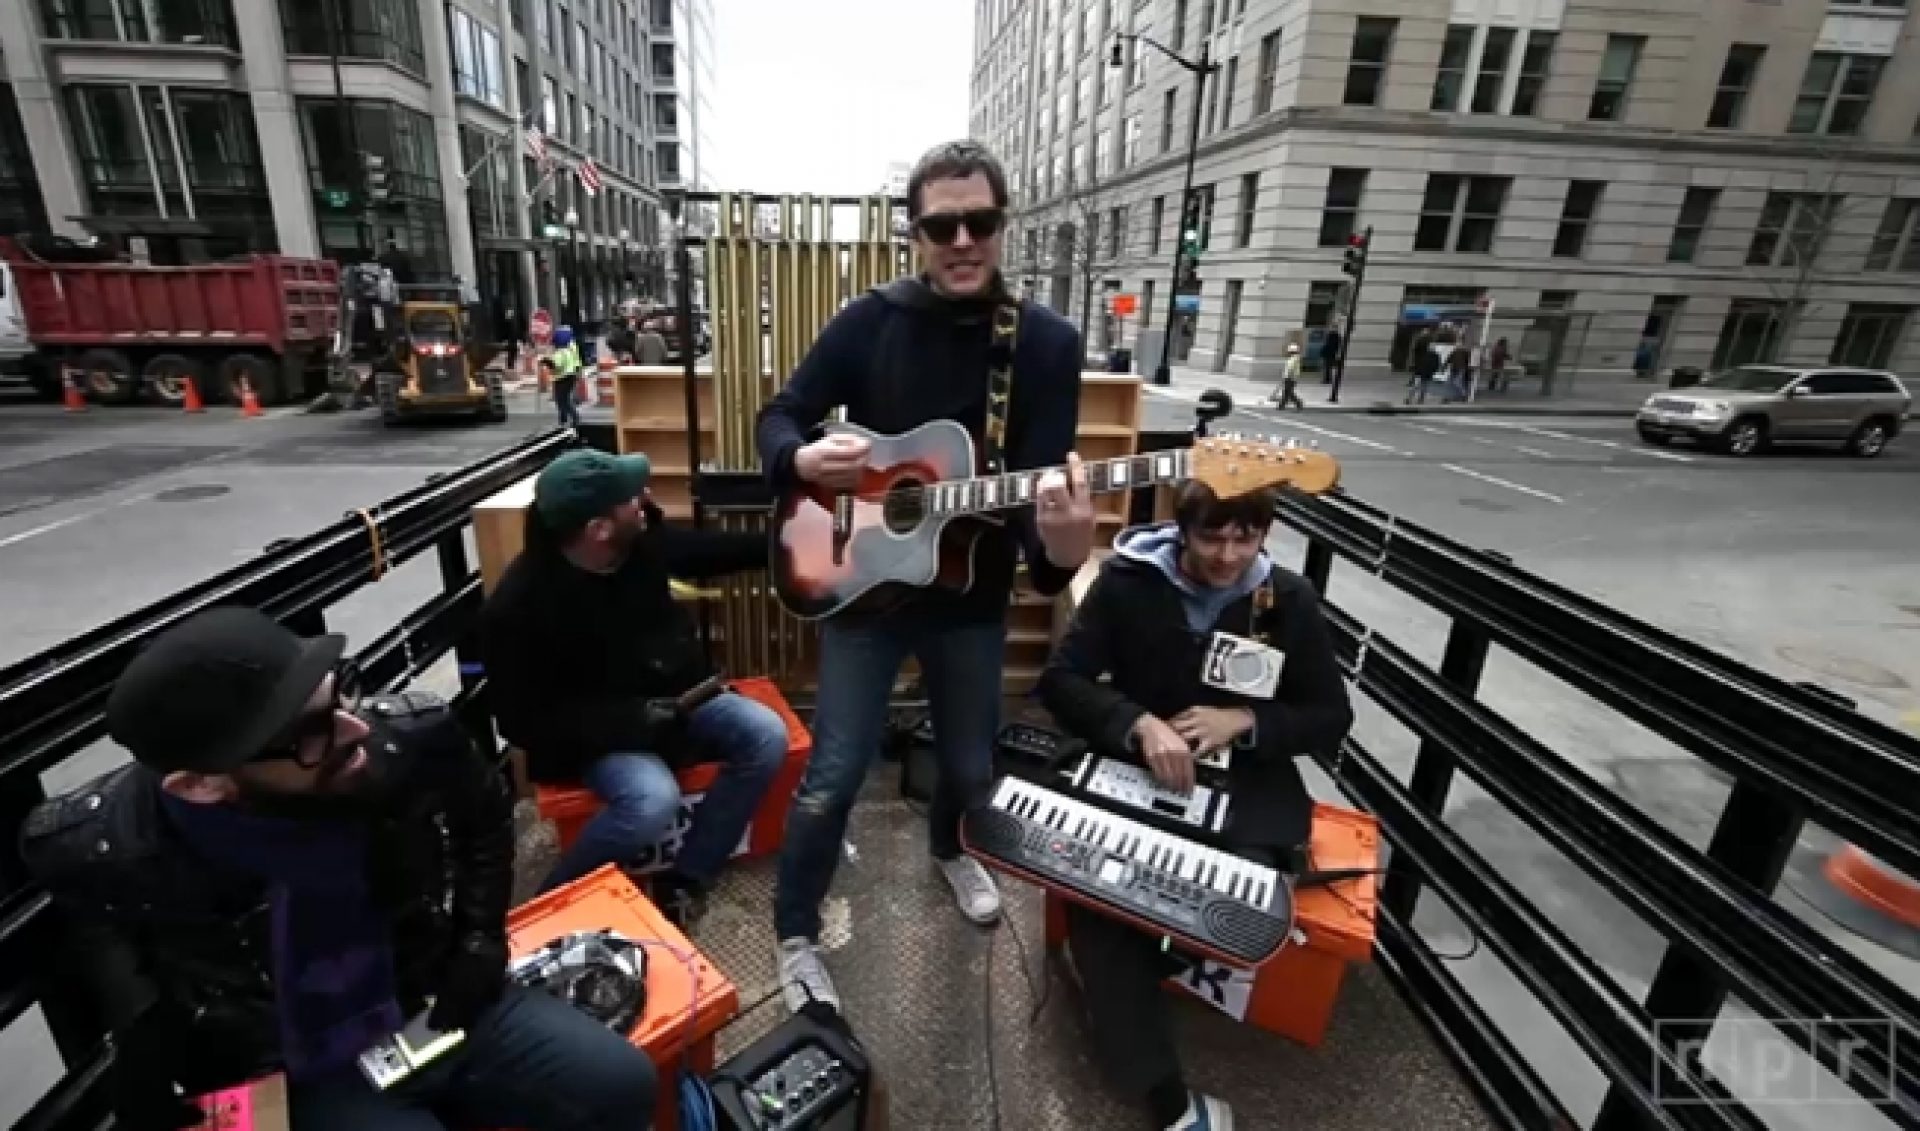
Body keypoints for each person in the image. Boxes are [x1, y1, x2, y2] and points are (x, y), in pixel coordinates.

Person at [18, 607, 656, 1131]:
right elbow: (102, 923)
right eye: (311, 732)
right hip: (295, 1066)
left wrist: (479, 937)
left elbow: (484, 815)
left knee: (623, 1083)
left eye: (339, 693)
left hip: (429, 994)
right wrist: (146, 1049)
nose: (354, 729)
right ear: (203, 785)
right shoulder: (98, 843)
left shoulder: (407, 739)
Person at [754, 139, 1098, 1013]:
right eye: (941, 224)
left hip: (967, 596)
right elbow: (780, 412)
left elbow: (1036, 506)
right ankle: (795, 929)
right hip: (863, 581)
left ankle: (951, 849)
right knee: (833, 771)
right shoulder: (871, 319)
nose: (961, 239)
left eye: (978, 221)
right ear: (915, 232)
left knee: (973, 765)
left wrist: (1061, 548)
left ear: (1002, 225)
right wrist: (800, 460)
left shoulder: (1046, 345)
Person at [1035, 481, 1354, 1131]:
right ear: (1182, 529)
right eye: (1212, 535)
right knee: (1105, 897)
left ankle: (1133, 977)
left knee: (1249, 900)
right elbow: (1061, 681)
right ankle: (1165, 1094)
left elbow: (1329, 715)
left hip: (1244, 785)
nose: (1228, 555)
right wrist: (1136, 722)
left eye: (1247, 537)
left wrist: (1245, 718)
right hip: (1133, 770)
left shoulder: (1284, 600)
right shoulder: (1127, 582)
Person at [480, 449, 789, 920]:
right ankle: (547, 909)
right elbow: (522, 722)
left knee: (765, 736)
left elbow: (700, 552)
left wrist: (783, 545)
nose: (645, 497)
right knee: (651, 801)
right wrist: (631, 721)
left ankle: (686, 878)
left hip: (677, 703)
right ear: (598, 529)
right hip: (600, 738)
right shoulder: (517, 610)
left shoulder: (636, 545)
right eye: (631, 496)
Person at [544, 357, 580, 429]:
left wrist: (545, 361)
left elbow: (555, 365)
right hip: (565, 378)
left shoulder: (561, 352)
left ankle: (574, 417)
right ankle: (563, 419)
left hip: (564, 378)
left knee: (562, 400)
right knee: (561, 399)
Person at [1269, 342, 1304, 410]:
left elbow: (1290, 368)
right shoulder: (1295, 359)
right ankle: (1282, 405)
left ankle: (1298, 403)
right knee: (1286, 392)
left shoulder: (1293, 359)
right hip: (1291, 377)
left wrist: (1286, 376)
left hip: (1290, 377)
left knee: (1289, 392)